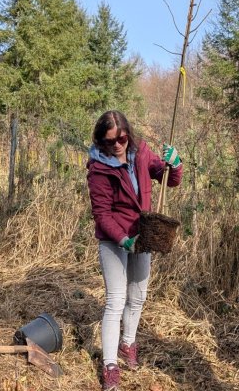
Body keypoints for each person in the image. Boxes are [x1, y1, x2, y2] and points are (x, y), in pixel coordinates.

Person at [86, 110, 183, 391]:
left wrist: (174, 164)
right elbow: (102, 214)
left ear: (128, 134)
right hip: (113, 238)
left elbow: (169, 180)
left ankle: (128, 343)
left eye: (121, 138)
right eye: (109, 141)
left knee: (138, 296)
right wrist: (122, 239)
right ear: (101, 142)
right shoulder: (98, 169)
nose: (116, 145)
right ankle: (110, 364)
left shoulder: (141, 154)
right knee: (115, 300)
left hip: (145, 233)